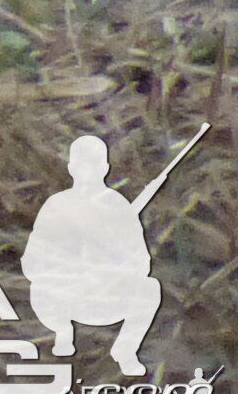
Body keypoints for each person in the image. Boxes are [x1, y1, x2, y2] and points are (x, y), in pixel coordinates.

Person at [20, 135, 164, 373]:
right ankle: (63, 333)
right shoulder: (57, 205)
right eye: (81, 166)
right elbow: (33, 260)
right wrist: (67, 270)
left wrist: (113, 268)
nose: (87, 173)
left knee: (149, 289)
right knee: (39, 290)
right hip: (65, 297)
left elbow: (141, 261)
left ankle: (126, 350)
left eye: (94, 165)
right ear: (71, 168)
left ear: (105, 168)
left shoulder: (119, 207)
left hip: (108, 296)